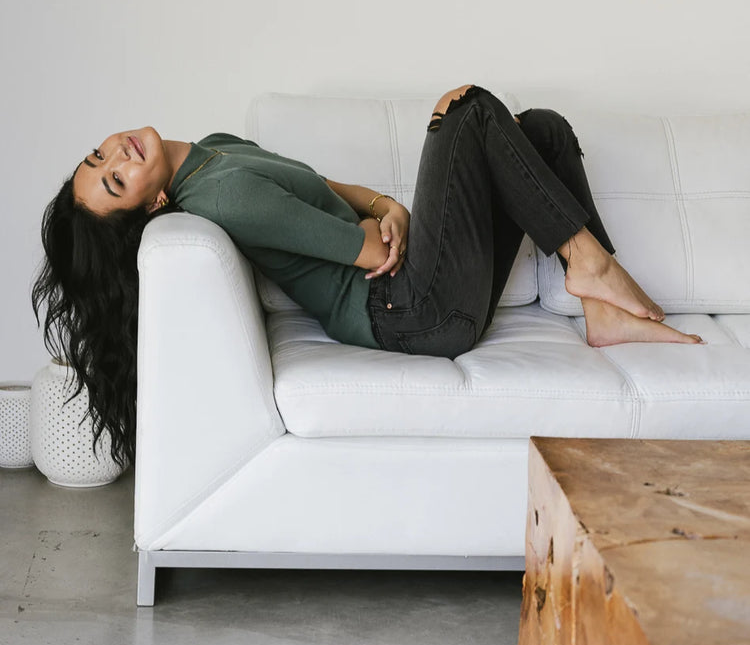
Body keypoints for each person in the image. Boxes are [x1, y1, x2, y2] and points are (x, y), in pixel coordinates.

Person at [32, 84, 701, 468]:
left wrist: (386, 205)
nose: (116, 153)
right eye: (116, 180)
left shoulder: (212, 154)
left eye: (100, 156)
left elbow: (328, 190)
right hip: (411, 311)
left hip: (424, 292)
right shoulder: (218, 197)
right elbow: (365, 253)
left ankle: (601, 304)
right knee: (466, 107)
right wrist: (381, 227)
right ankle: (591, 265)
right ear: (150, 205)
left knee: (543, 130)